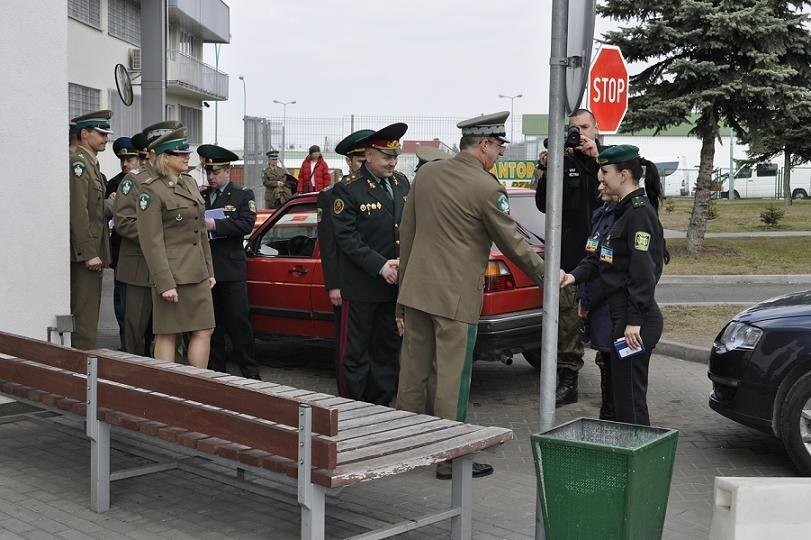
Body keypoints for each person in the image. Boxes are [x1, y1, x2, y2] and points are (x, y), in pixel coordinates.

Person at [395, 111, 545, 480]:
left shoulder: (427, 174)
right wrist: (547, 275)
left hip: (416, 290)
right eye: (497, 148)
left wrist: (402, 295)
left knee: (412, 374)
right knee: (451, 379)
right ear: (483, 145)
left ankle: (405, 447)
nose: (499, 155)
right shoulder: (486, 187)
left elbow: (407, 232)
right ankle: (449, 459)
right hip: (455, 298)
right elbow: (513, 243)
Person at [561, 145, 669, 426]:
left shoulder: (638, 213)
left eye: (605, 173)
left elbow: (645, 273)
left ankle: (640, 463)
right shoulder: (620, 212)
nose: (601, 180)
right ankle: (628, 459)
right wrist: (572, 276)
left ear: (623, 175)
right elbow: (600, 259)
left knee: (631, 402)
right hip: (622, 318)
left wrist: (634, 321)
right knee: (621, 400)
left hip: (636, 323)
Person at [331, 123, 410, 404]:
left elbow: (406, 227)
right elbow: (346, 238)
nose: (392, 161)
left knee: (386, 349)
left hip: (394, 286)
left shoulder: (401, 182)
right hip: (363, 285)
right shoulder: (348, 190)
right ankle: (353, 406)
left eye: (395, 155)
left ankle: (382, 405)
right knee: (356, 352)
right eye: (386, 155)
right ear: (369, 154)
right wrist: (380, 265)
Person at [534, 108, 602, 406]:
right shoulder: (563, 160)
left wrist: (596, 157)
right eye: (575, 129)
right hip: (570, 260)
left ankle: (611, 383)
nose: (580, 134)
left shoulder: (609, 160)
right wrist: (548, 170)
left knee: (605, 321)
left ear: (596, 128)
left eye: (585, 127)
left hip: (603, 260)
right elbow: (542, 205)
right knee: (566, 323)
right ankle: (568, 380)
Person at [136, 128, 215, 367]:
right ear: (164, 157)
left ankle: (196, 385)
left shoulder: (190, 183)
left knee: (204, 329)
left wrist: (209, 270)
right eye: (179, 153)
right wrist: (164, 282)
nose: (186, 156)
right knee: (168, 333)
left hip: (197, 271)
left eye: (185, 152)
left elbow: (200, 231)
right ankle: (167, 388)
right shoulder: (151, 189)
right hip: (172, 273)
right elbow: (151, 241)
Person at [114, 121, 184, 357]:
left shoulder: (179, 180)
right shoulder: (134, 180)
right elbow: (124, 221)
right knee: (135, 330)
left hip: (173, 266)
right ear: (152, 152)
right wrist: (160, 235)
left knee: (172, 330)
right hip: (139, 268)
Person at [199, 144, 260, 379]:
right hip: (208, 267)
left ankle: (250, 371)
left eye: (216, 172)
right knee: (212, 324)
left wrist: (216, 225)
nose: (211, 176)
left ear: (227, 171)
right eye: (208, 172)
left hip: (231, 268)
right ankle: (217, 371)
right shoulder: (202, 195)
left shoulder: (242, 194)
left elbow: (246, 224)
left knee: (239, 322)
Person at [320, 128, 374, 395]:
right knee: (350, 346)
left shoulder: (384, 191)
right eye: (360, 160)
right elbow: (329, 245)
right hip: (348, 283)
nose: (365, 165)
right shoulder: (333, 195)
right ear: (350, 162)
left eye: (368, 159)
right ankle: (348, 394)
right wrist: (334, 285)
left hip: (375, 281)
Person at [69, 110, 114, 350]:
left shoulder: (90, 164)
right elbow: (79, 211)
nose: (106, 138)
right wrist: (88, 252)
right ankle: (80, 375)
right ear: (85, 134)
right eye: (101, 133)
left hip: (94, 250)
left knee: (90, 314)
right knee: (84, 318)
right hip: (85, 254)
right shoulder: (79, 163)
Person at [576, 181, 617, 420]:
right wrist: (584, 297)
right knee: (605, 365)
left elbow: (608, 269)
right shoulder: (601, 214)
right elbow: (592, 257)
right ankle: (608, 418)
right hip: (598, 307)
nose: (599, 186)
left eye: (604, 178)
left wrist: (589, 301)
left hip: (610, 308)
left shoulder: (626, 216)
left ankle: (612, 423)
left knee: (615, 374)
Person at [107, 136, 141, 349]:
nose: (126, 164)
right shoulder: (115, 183)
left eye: (131, 159)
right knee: (122, 302)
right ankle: (126, 343)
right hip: (122, 248)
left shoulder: (147, 180)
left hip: (144, 248)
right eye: (122, 160)